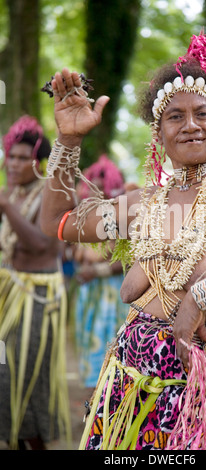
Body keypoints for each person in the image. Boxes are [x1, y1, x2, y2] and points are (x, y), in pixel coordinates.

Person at [39, 32, 206, 450]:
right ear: (158, 133)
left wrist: (201, 297)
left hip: (204, 393)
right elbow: (55, 221)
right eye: (175, 116)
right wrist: (69, 139)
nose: (191, 125)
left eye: (203, 113)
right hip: (125, 384)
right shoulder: (143, 204)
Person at [0, 115, 71, 450]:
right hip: (11, 294)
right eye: (9, 156)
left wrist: (5, 207)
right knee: (6, 378)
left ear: (37, 163)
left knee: (24, 380)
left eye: (20, 158)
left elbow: (43, 244)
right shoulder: (13, 194)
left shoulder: (49, 193)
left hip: (37, 300)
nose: (12, 163)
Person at [73, 155, 129, 390]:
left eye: (99, 183)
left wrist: (97, 270)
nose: (93, 188)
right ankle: (95, 397)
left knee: (111, 350)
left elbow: (127, 259)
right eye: (91, 183)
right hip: (89, 292)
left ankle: (109, 398)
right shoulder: (86, 214)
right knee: (90, 343)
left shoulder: (120, 213)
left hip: (112, 294)